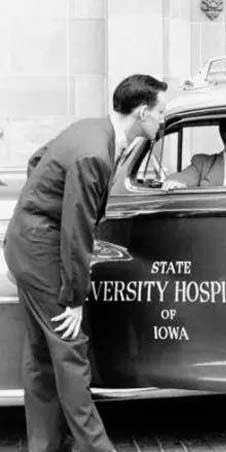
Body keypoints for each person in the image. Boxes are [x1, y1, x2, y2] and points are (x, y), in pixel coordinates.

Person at [4, 74, 168, 452]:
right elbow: (76, 228)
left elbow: (36, 161)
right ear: (142, 112)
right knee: (70, 349)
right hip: (41, 249)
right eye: (161, 112)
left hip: (26, 242)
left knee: (42, 353)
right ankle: (95, 447)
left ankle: (45, 444)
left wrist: (35, 208)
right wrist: (74, 298)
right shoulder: (96, 152)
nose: (163, 120)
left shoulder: (89, 129)